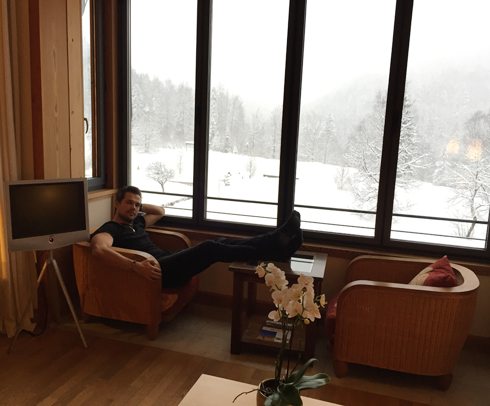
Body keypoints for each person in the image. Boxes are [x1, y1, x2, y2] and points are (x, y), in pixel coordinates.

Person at [91, 186, 303, 288]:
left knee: (220, 242)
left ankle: (275, 242)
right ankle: (276, 246)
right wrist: (136, 267)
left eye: (137, 204)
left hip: (167, 259)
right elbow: (99, 249)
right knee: (210, 247)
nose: (134, 208)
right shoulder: (112, 228)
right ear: (117, 204)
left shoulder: (137, 222)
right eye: (128, 203)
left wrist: (137, 207)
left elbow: (159, 212)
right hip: (158, 271)